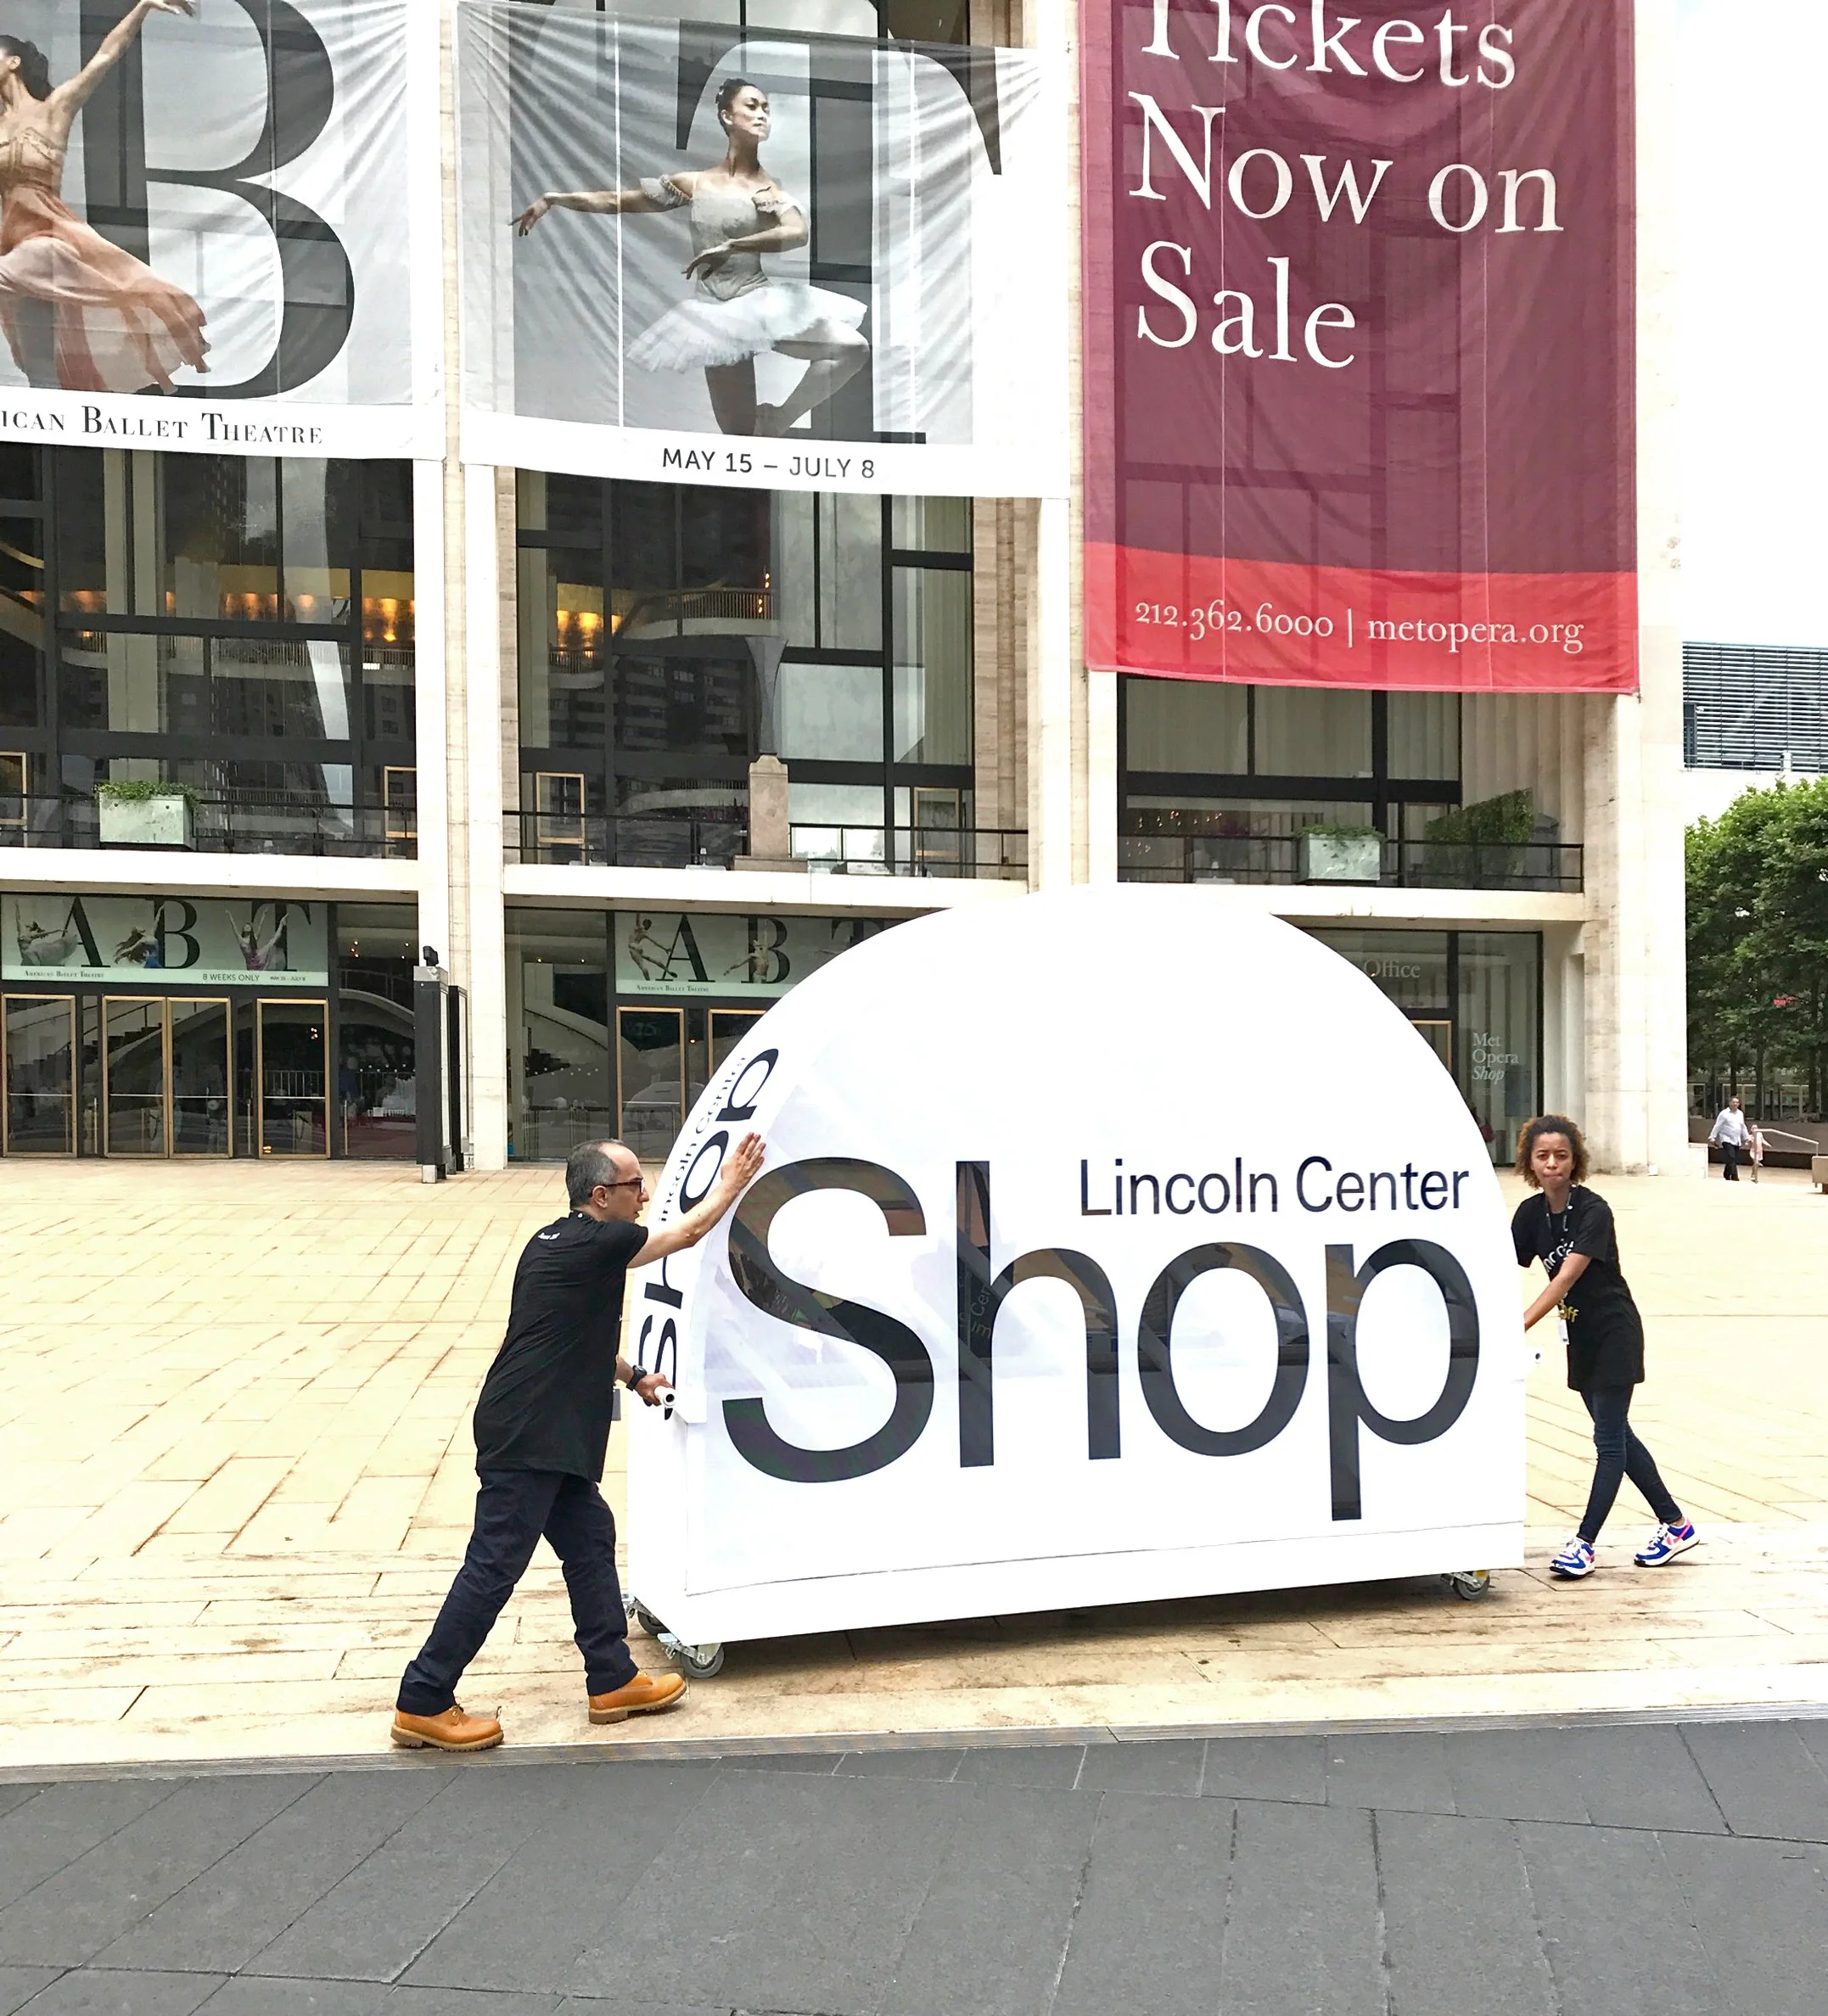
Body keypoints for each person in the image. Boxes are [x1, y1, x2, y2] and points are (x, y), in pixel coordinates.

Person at [391, 1130, 765, 1752]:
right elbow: (689, 1234)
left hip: (541, 1424)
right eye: (633, 1186)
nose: (643, 1194)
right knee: (494, 1565)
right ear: (600, 1196)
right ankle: (422, 1699)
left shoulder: (551, 1243)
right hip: (533, 1430)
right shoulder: (604, 1239)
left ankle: (612, 1679)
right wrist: (733, 1182)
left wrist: (634, 1375)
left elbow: (568, 1333)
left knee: (590, 1539)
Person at [513, 76, 868, 438]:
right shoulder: (695, 183)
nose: (762, 115)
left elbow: (797, 233)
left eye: (766, 109)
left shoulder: (767, 187)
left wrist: (735, 246)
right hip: (716, 316)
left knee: (851, 348)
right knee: (739, 436)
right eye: (752, 106)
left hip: (758, 301)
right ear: (727, 117)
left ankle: (778, 418)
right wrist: (555, 198)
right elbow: (618, 201)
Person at [1512, 1114, 1698, 1581]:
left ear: (1575, 1161)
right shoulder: (1531, 1214)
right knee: (1617, 1433)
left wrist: (1517, 1327)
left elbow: (1565, 1277)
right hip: (1580, 1334)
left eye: (1562, 1155)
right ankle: (1676, 1525)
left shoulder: (1594, 1209)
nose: (1553, 1164)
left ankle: (1584, 1544)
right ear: (1529, 1163)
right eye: (1543, 1156)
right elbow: (1496, 1263)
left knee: (1608, 1442)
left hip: (1614, 1329)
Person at [0, 3, 209, 392]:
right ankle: (49, 438)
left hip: (49, 244)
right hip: (13, 252)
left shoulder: (53, 110)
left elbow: (106, 55)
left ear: (13, 62)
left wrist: (143, 6)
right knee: (36, 367)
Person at [1708, 1093, 1749, 1180]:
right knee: (1731, 1156)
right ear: (1729, 1103)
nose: (1735, 1104)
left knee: (1733, 1158)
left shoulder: (1740, 1114)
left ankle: (1727, 1173)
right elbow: (1718, 1125)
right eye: (1733, 1102)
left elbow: (1742, 1126)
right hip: (1726, 1138)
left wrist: (1747, 1137)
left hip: (1736, 1139)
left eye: (1737, 1102)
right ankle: (1735, 1176)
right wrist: (1712, 1137)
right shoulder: (1724, 1114)